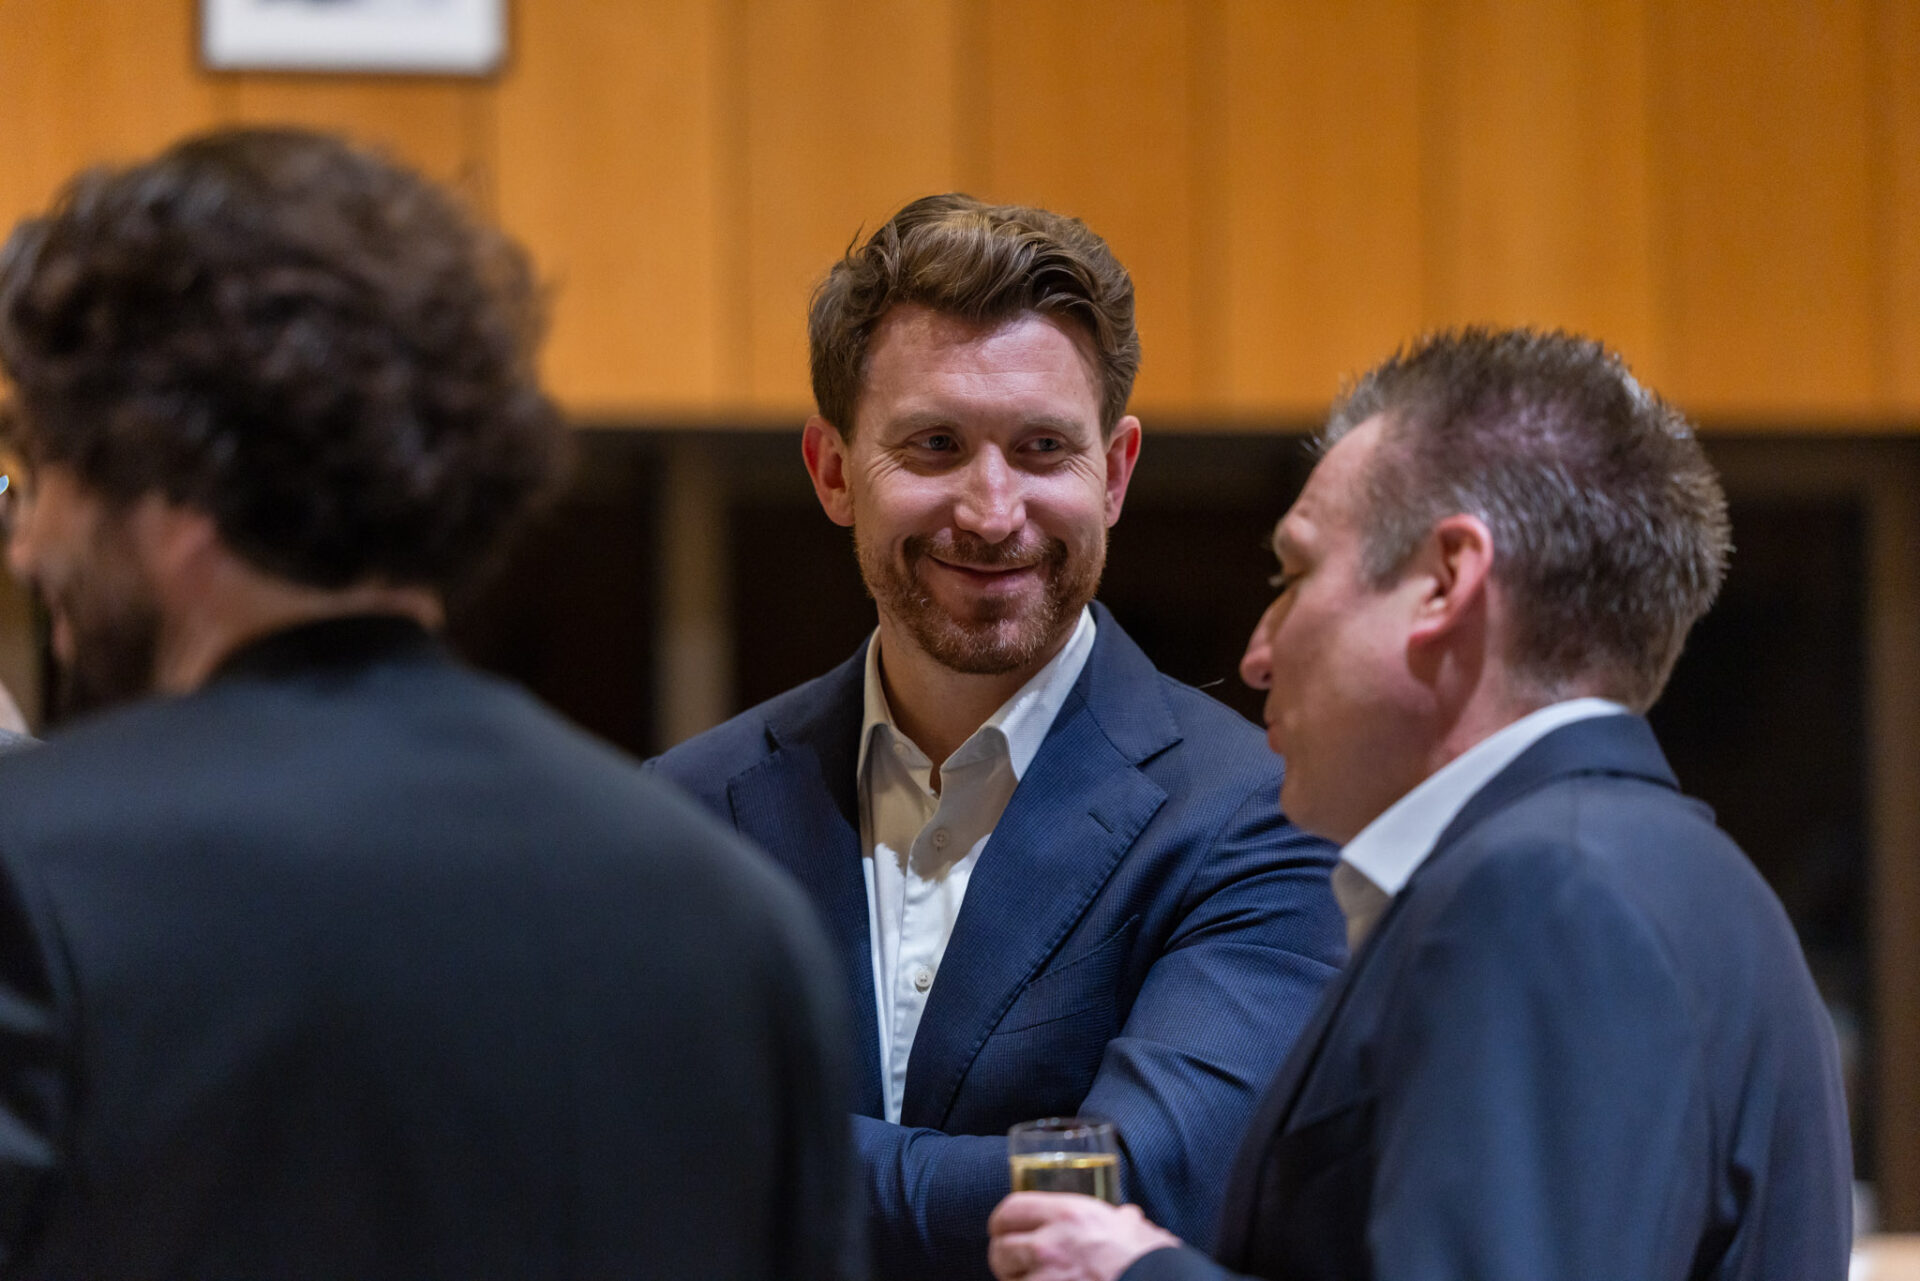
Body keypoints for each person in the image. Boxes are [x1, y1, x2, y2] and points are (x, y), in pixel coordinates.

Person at [0, 127, 858, 1279]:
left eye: (44, 473)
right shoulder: (739, 923)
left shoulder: (33, 878)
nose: (28, 543)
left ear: (166, 487)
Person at [987, 327, 1853, 1281]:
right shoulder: (1685, 876)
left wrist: (1138, 1272)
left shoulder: (1547, 894)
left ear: (1445, 582)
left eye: (1294, 574)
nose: (1257, 653)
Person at [650, 194, 1344, 1280]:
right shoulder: (681, 815)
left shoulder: (1264, 814)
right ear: (833, 472)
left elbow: (1136, 1191)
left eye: (1041, 448)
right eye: (934, 445)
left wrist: (739, 1161)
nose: (990, 508)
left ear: (1115, 474)